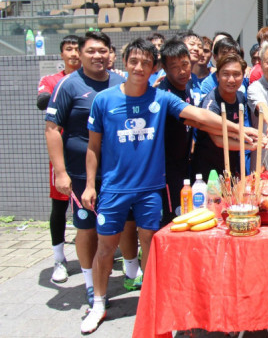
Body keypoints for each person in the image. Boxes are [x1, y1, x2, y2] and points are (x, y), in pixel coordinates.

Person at [80, 38, 254, 334]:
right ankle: (98, 302)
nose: (139, 67)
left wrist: (242, 129)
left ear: (153, 67)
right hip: (113, 189)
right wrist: (89, 185)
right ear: (124, 62)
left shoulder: (161, 98)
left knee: (151, 243)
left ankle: (151, 299)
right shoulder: (104, 100)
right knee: (106, 247)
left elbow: (199, 116)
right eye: (134, 61)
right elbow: (93, 147)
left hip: (151, 188)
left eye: (146, 62)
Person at [44, 31, 138, 308]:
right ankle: (89, 282)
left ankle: (132, 272)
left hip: (120, 172)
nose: (97, 56)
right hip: (83, 175)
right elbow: (52, 130)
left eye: (102, 51)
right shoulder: (68, 86)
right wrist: (61, 173)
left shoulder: (122, 82)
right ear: (81, 54)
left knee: (125, 223)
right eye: (91, 51)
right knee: (86, 228)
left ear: (110, 53)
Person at [38, 34, 81, 284]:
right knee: (60, 206)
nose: (74, 53)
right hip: (63, 157)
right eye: (69, 49)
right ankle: (58, 258)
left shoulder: (97, 79)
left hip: (90, 153)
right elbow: (42, 101)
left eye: (77, 48)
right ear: (62, 54)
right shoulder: (51, 80)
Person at [193, 53, 251, 180]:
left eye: (236, 74)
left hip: (230, 166)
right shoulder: (212, 103)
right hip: (207, 170)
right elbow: (218, 140)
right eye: (226, 74)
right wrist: (251, 146)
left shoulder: (240, 97)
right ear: (217, 76)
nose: (231, 80)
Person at [156, 39, 196, 224]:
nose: (182, 71)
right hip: (166, 170)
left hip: (183, 166)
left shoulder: (187, 86)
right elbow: (197, 120)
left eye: (185, 64)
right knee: (170, 219)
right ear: (164, 67)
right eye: (174, 67)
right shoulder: (163, 94)